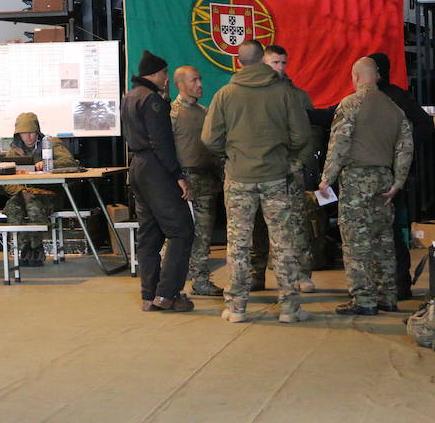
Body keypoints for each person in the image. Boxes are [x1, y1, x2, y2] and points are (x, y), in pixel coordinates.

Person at [202, 40, 313, 324]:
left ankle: (237, 308)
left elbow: (209, 139)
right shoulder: (284, 93)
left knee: (238, 244)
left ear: (238, 61)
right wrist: (286, 158)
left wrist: (232, 154)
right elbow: (301, 136)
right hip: (277, 176)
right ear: (263, 61)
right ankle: (290, 308)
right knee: (283, 242)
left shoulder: (226, 94)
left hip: (239, 177)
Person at [319, 57, 414, 315]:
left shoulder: (350, 104)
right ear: (378, 77)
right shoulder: (395, 109)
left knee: (355, 242)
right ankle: (388, 296)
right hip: (384, 181)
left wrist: (327, 177)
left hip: (356, 180)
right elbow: (405, 148)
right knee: (383, 240)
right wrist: (398, 182)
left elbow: (339, 143)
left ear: (356, 77)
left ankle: (364, 300)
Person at [122, 50, 195, 312]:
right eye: (165, 73)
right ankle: (167, 295)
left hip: (137, 167)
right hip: (155, 168)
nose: (167, 78)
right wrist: (178, 175)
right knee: (181, 230)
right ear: (154, 73)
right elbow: (161, 143)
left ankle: (148, 296)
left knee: (149, 234)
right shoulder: (152, 100)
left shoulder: (129, 97)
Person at [250, 45, 317, 293]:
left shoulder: (297, 96)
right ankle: (255, 273)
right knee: (257, 223)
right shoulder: (251, 94)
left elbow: (312, 133)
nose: (279, 68)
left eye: (282, 63)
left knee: (296, 223)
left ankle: (301, 273)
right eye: (273, 63)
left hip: (289, 171)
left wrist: (298, 162)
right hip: (260, 169)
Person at [368, 52, 433, 300]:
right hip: (398, 174)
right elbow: (425, 126)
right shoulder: (399, 96)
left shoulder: (376, 99)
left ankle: (384, 286)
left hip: (379, 175)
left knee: (377, 233)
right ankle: (399, 285)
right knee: (394, 230)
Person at [171, 65, 224, 297]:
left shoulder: (204, 112)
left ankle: (201, 280)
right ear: (180, 85)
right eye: (194, 80)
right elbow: (165, 151)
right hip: (184, 181)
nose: (200, 84)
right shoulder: (172, 114)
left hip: (207, 178)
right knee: (179, 234)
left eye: (200, 79)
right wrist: (176, 178)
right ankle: (172, 283)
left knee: (204, 233)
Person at [3, 112, 77, 266]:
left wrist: (48, 163)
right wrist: (22, 192)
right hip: (22, 193)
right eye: (24, 133)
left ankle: (36, 248)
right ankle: (23, 249)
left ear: (37, 132)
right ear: (18, 134)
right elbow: (7, 181)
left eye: (31, 132)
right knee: (12, 208)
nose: (28, 137)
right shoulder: (13, 152)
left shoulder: (51, 143)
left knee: (33, 208)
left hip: (48, 194)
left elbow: (70, 162)